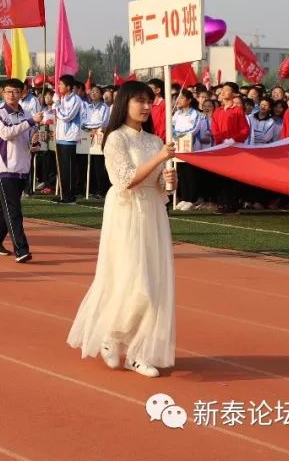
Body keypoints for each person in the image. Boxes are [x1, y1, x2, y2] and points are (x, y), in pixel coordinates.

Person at [67, 80, 178, 378]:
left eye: (149, 101)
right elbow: (125, 179)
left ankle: (138, 351)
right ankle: (112, 335)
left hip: (152, 214)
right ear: (125, 103)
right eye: (139, 100)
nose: (145, 107)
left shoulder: (154, 141)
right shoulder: (115, 139)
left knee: (154, 284)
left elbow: (155, 185)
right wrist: (160, 158)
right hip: (126, 214)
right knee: (133, 280)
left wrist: (168, 180)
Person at [0, 78, 43, 262]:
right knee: (13, 209)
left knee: (6, 208)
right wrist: (31, 122)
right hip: (4, 166)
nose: (12, 95)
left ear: (22, 93)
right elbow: (7, 133)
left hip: (22, 166)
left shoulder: (27, 113)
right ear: (3, 92)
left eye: (16, 92)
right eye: (9, 91)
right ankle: (21, 249)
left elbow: (28, 139)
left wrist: (34, 143)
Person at [210, 82, 249, 214]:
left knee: (231, 178)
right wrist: (220, 140)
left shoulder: (237, 110)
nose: (222, 92)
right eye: (222, 90)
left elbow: (244, 130)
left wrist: (233, 139)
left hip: (233, 149)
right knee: (219, 177)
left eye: (226, 90)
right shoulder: (218, 111)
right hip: (220, 148)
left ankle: (232, 204)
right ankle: (221, 203)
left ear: (234, 94)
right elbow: (214, 128)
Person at [53, 75, 83, 203]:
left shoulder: (76, 100)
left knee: (69, 169)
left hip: (69, 138)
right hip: (60, 137)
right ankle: (63, 195)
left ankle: (70, 196)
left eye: (61, 84)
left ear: (69, 86)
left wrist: (56, 105)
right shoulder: (63, 99)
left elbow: (66, 117)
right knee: (62, 168)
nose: (59, 86)